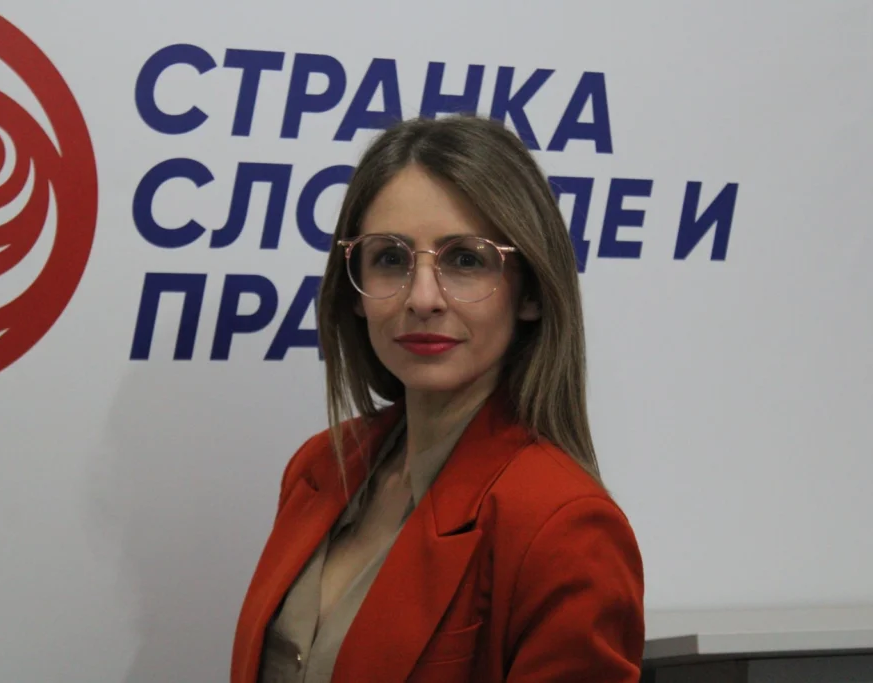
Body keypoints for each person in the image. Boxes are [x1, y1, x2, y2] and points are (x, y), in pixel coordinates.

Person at [231, 114, 645, 683]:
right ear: (354, 290)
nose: (423, 297)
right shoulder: (321, 465)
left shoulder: (564, 528)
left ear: (530, 293)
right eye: (390, 258)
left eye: (466, 259)